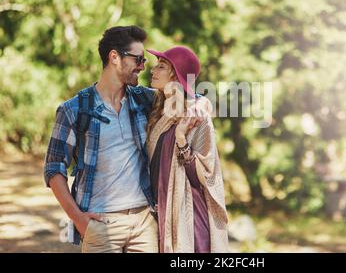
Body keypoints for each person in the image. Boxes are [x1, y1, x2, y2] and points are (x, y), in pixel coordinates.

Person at [44, 25, 188, 253]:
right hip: (101, 225)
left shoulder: (145, 101)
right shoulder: (74, 110)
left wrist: (201, 100)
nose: (142, 67)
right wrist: (79, 219)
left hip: (144, 223)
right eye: (138, 60)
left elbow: (182, 94)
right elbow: (53, 169)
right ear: (114, 57)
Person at [146, 46, 229, 253]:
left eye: (162, 66)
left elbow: (203, 176)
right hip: (160, 212)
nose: (153, 70)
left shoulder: (197, 119)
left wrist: (181, 138)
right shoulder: (158, 108)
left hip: (189, 218)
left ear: (176, 75)